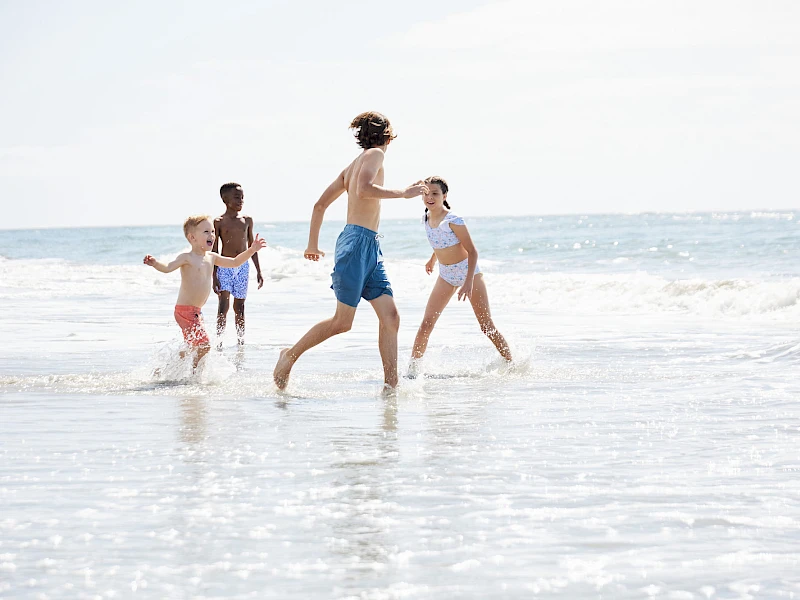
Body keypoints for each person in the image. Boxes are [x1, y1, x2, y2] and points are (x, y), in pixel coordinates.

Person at [273, 111, 428, 390]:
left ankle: (391, 386)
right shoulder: (375, 155)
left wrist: (312, 244)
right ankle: (289, 355)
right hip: (357, 244)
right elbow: (364, 189)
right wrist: (403, 194)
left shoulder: (351, 166)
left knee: (390, 317)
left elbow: (319, 205)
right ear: (388, 136)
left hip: (369, 246)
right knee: (342, 322)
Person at [408, 176, 512, 377]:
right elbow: (441, 242)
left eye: (435, 193)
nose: (430, 197)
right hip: (446, 275)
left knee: (486, 326)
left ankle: (510, 362)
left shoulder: (453, 220)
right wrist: (433, 259)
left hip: (468, 272)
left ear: (444, 196)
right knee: (426, 323)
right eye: (426, 193)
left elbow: (472, 251)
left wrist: (468, 282)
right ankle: (412, 371)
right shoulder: (426, 219)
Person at [144, 215, 266, 370]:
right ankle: (195, 375)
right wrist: (155, 263)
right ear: (192, 237)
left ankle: (166, 370)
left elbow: (235, 262)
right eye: (206, 232)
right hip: (185, 312)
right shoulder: (187, 258)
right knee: (205, 345)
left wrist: (252, 249)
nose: (212, 235)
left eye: (213, 231)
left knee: (193, 347)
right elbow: (167, 268)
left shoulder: (212, 257)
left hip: (196, 312)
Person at [212, 182, 264, 347]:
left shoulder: (247, 220)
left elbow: (252, 248)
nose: (241, 200)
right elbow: (214, 250)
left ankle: (241, 342)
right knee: (223, 305)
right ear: (225, 199)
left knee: (240, 307)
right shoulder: (219, 222)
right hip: (224, 266)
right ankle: (219, 342)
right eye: (236, 197)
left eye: (242, 197)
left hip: (243, 267)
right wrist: (214, 276)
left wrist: (258, 271)